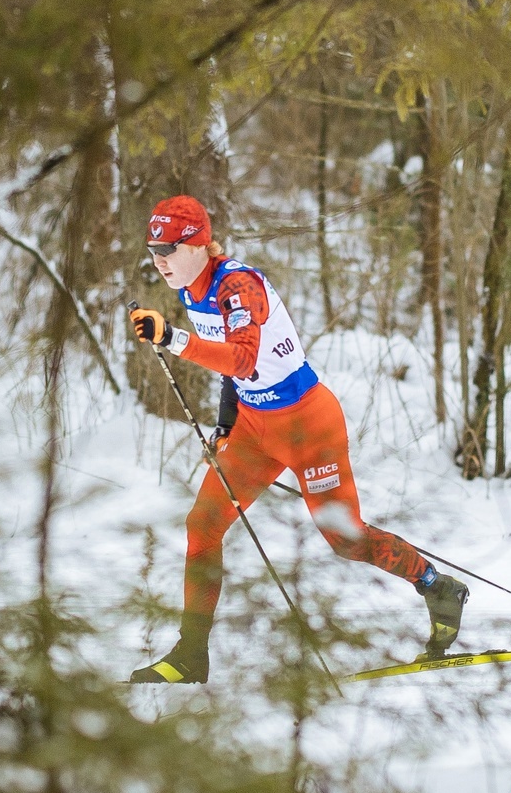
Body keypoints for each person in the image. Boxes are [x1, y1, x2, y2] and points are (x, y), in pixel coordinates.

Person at [124, 194, 468, 684]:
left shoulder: (238, 287)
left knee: (345, 541)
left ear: (199, 244)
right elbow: (234, 374)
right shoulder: (189, 288)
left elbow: (242, 358)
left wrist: (172, 340)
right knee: (202, 526)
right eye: (152, 249)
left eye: (168, 248)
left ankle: (436, 586)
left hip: (309, 424)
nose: (159, 260)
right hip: (254, 426)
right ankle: (190, 654)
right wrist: (225, 428)